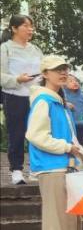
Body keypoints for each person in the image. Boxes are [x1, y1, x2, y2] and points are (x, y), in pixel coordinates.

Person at [26, 56, 83, 230]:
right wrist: (66, 147)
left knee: (71, 222)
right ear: (45, 74)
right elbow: (36, 135)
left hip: (66, 166)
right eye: (57, 69)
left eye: (65, 69)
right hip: (52, 167)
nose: (63, 73)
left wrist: (81, 154)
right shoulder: (44, 101)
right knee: (57, 224)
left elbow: (70, 137)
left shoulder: (58, 101)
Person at [1, 14, 44, 185]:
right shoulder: (5, 48)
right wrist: (17, 79)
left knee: (38, 132)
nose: (30, 29)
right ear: (14, 28)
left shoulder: (36, 49)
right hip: (14, 97)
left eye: (31, 26)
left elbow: (44, 70)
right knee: (17, 134)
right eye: (26, 26)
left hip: (36, 96)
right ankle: (17, 170)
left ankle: (36, 168)